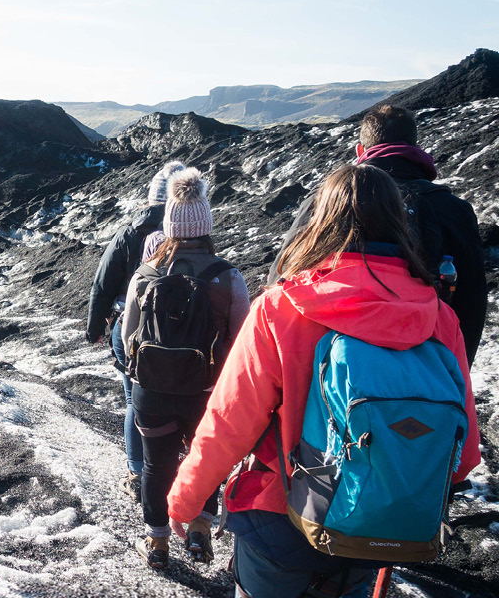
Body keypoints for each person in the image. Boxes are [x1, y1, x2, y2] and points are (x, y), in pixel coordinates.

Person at [168, 165, 481, 597]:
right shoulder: (438, 318)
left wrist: (186, 501)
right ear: (398, 223)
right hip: (372, 532)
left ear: (321, 221)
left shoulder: (282, 306)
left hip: (279, 522)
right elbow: (461, 454)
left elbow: (228, 425)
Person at [269, 104, 487, 365]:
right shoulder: (454, 210)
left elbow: (281, 277)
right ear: (416, 149)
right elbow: (472, 300)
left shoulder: (326, 201)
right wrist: (457, 373)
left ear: (360, 151)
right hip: (426, 368)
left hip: (329, 367)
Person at [122, 168, 250, 569]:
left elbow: (129, 338)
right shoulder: (227, 277)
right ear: (206, 224)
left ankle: (157, 543)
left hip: (152, 391)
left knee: (157, 464)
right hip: (206, 394)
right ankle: (199, 530)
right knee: (203, 458)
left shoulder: (144, 275)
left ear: (170, 224)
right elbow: (244, 341)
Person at [86, 160, 185, 500]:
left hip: (129, 329)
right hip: (180, 331)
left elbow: (102, 282)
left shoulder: (129, 232)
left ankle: (137, 472)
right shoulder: (191, 234)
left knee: (135, 400)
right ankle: (176, 474)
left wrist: (94, 328)